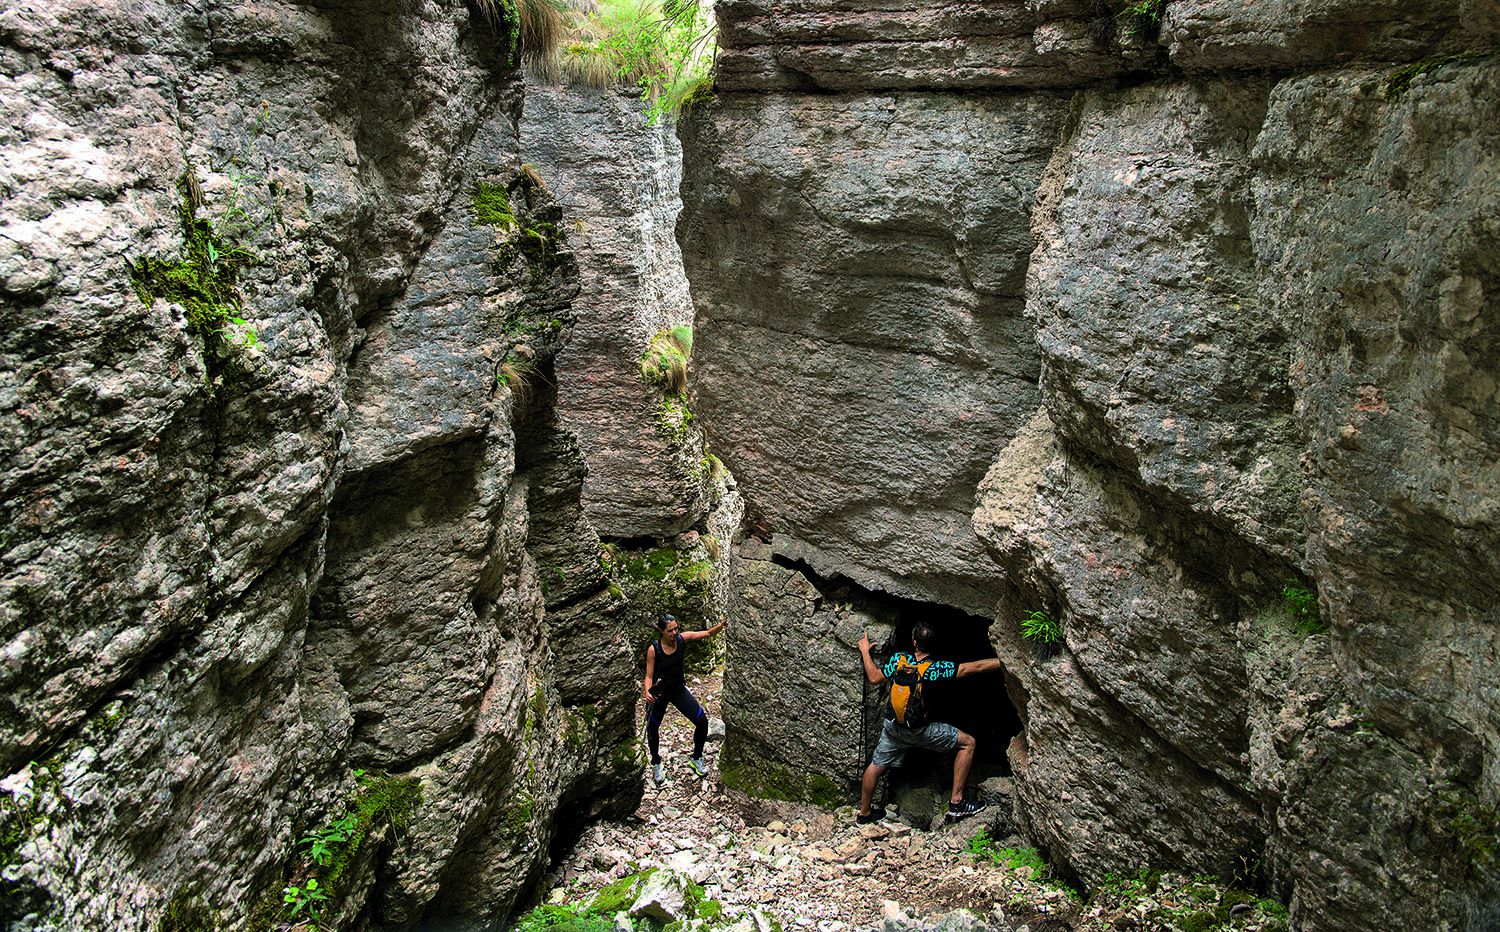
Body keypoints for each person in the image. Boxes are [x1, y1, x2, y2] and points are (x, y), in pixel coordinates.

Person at [856, 622, 1002, 824]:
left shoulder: (899, 660)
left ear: (914, 642)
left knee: (875, 766)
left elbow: (874, 677)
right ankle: (957, 802)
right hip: (919, 731)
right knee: (968, 743)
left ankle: (864, 814)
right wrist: (1004, 661)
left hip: (893, 728)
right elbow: (973, 667)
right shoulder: (934, 669)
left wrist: (865, 650)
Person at [643, 613, 725, 785]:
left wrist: (721, 625)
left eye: (676, 629)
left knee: (702, 722)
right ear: (661, 631)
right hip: (659, 694)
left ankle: (697, 757)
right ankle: (656, 762)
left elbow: (707, 633)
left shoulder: (682, 640)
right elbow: (649, 676)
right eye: (670, 630)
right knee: (652, 728)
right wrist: (647, 691)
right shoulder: (654, 649)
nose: (674, 633)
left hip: (678, 690)